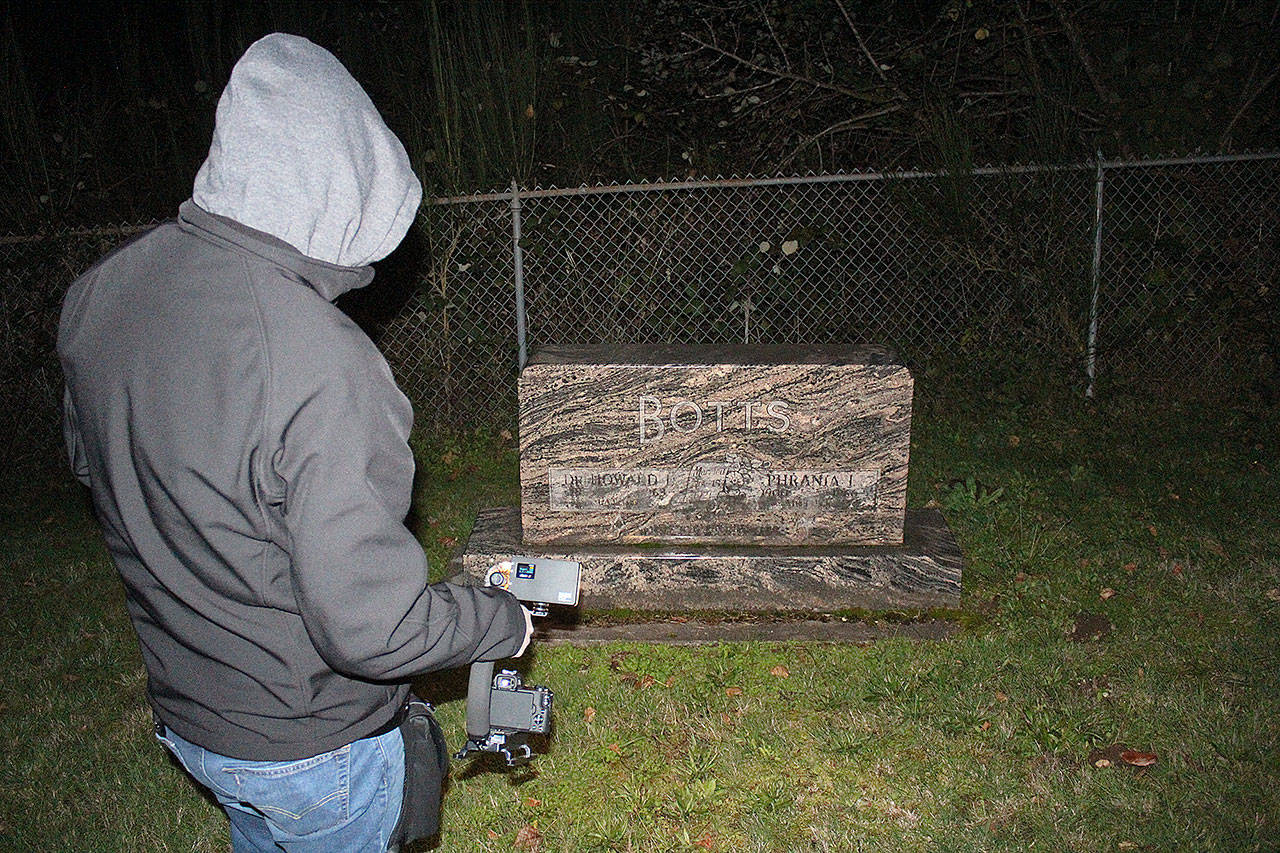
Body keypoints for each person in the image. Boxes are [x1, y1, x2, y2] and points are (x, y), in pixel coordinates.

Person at [56, 33, 531, 852]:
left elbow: (99, 470)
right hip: (313, 748)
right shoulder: (323, 362)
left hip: (191, 718)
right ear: (344, 182)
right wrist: (502, 622)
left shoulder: (101, 293)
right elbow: (372, 627)